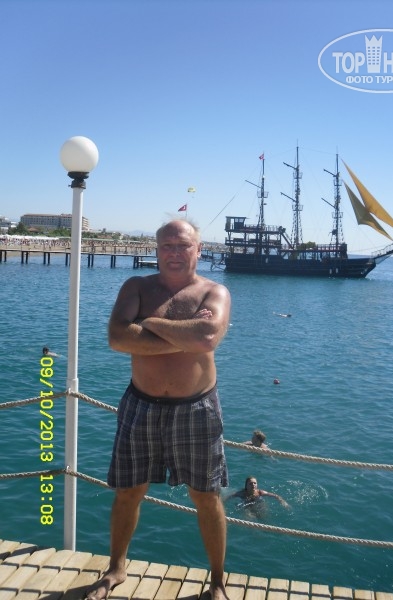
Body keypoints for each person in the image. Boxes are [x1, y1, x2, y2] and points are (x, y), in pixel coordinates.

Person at [86, 220, 231, 600]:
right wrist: (187, 335)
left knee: (207, 496)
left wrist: (148, 323)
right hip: (141, 404)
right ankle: (116, 568)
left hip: (196, 408)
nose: (174, 253)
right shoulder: (136, 287)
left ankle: (217, 581)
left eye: (183, 245)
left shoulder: (214, 291)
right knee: (128, 492)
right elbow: (118, 338)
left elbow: (208, 337)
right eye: (167, 245)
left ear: (199, 249)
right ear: (157, 249)